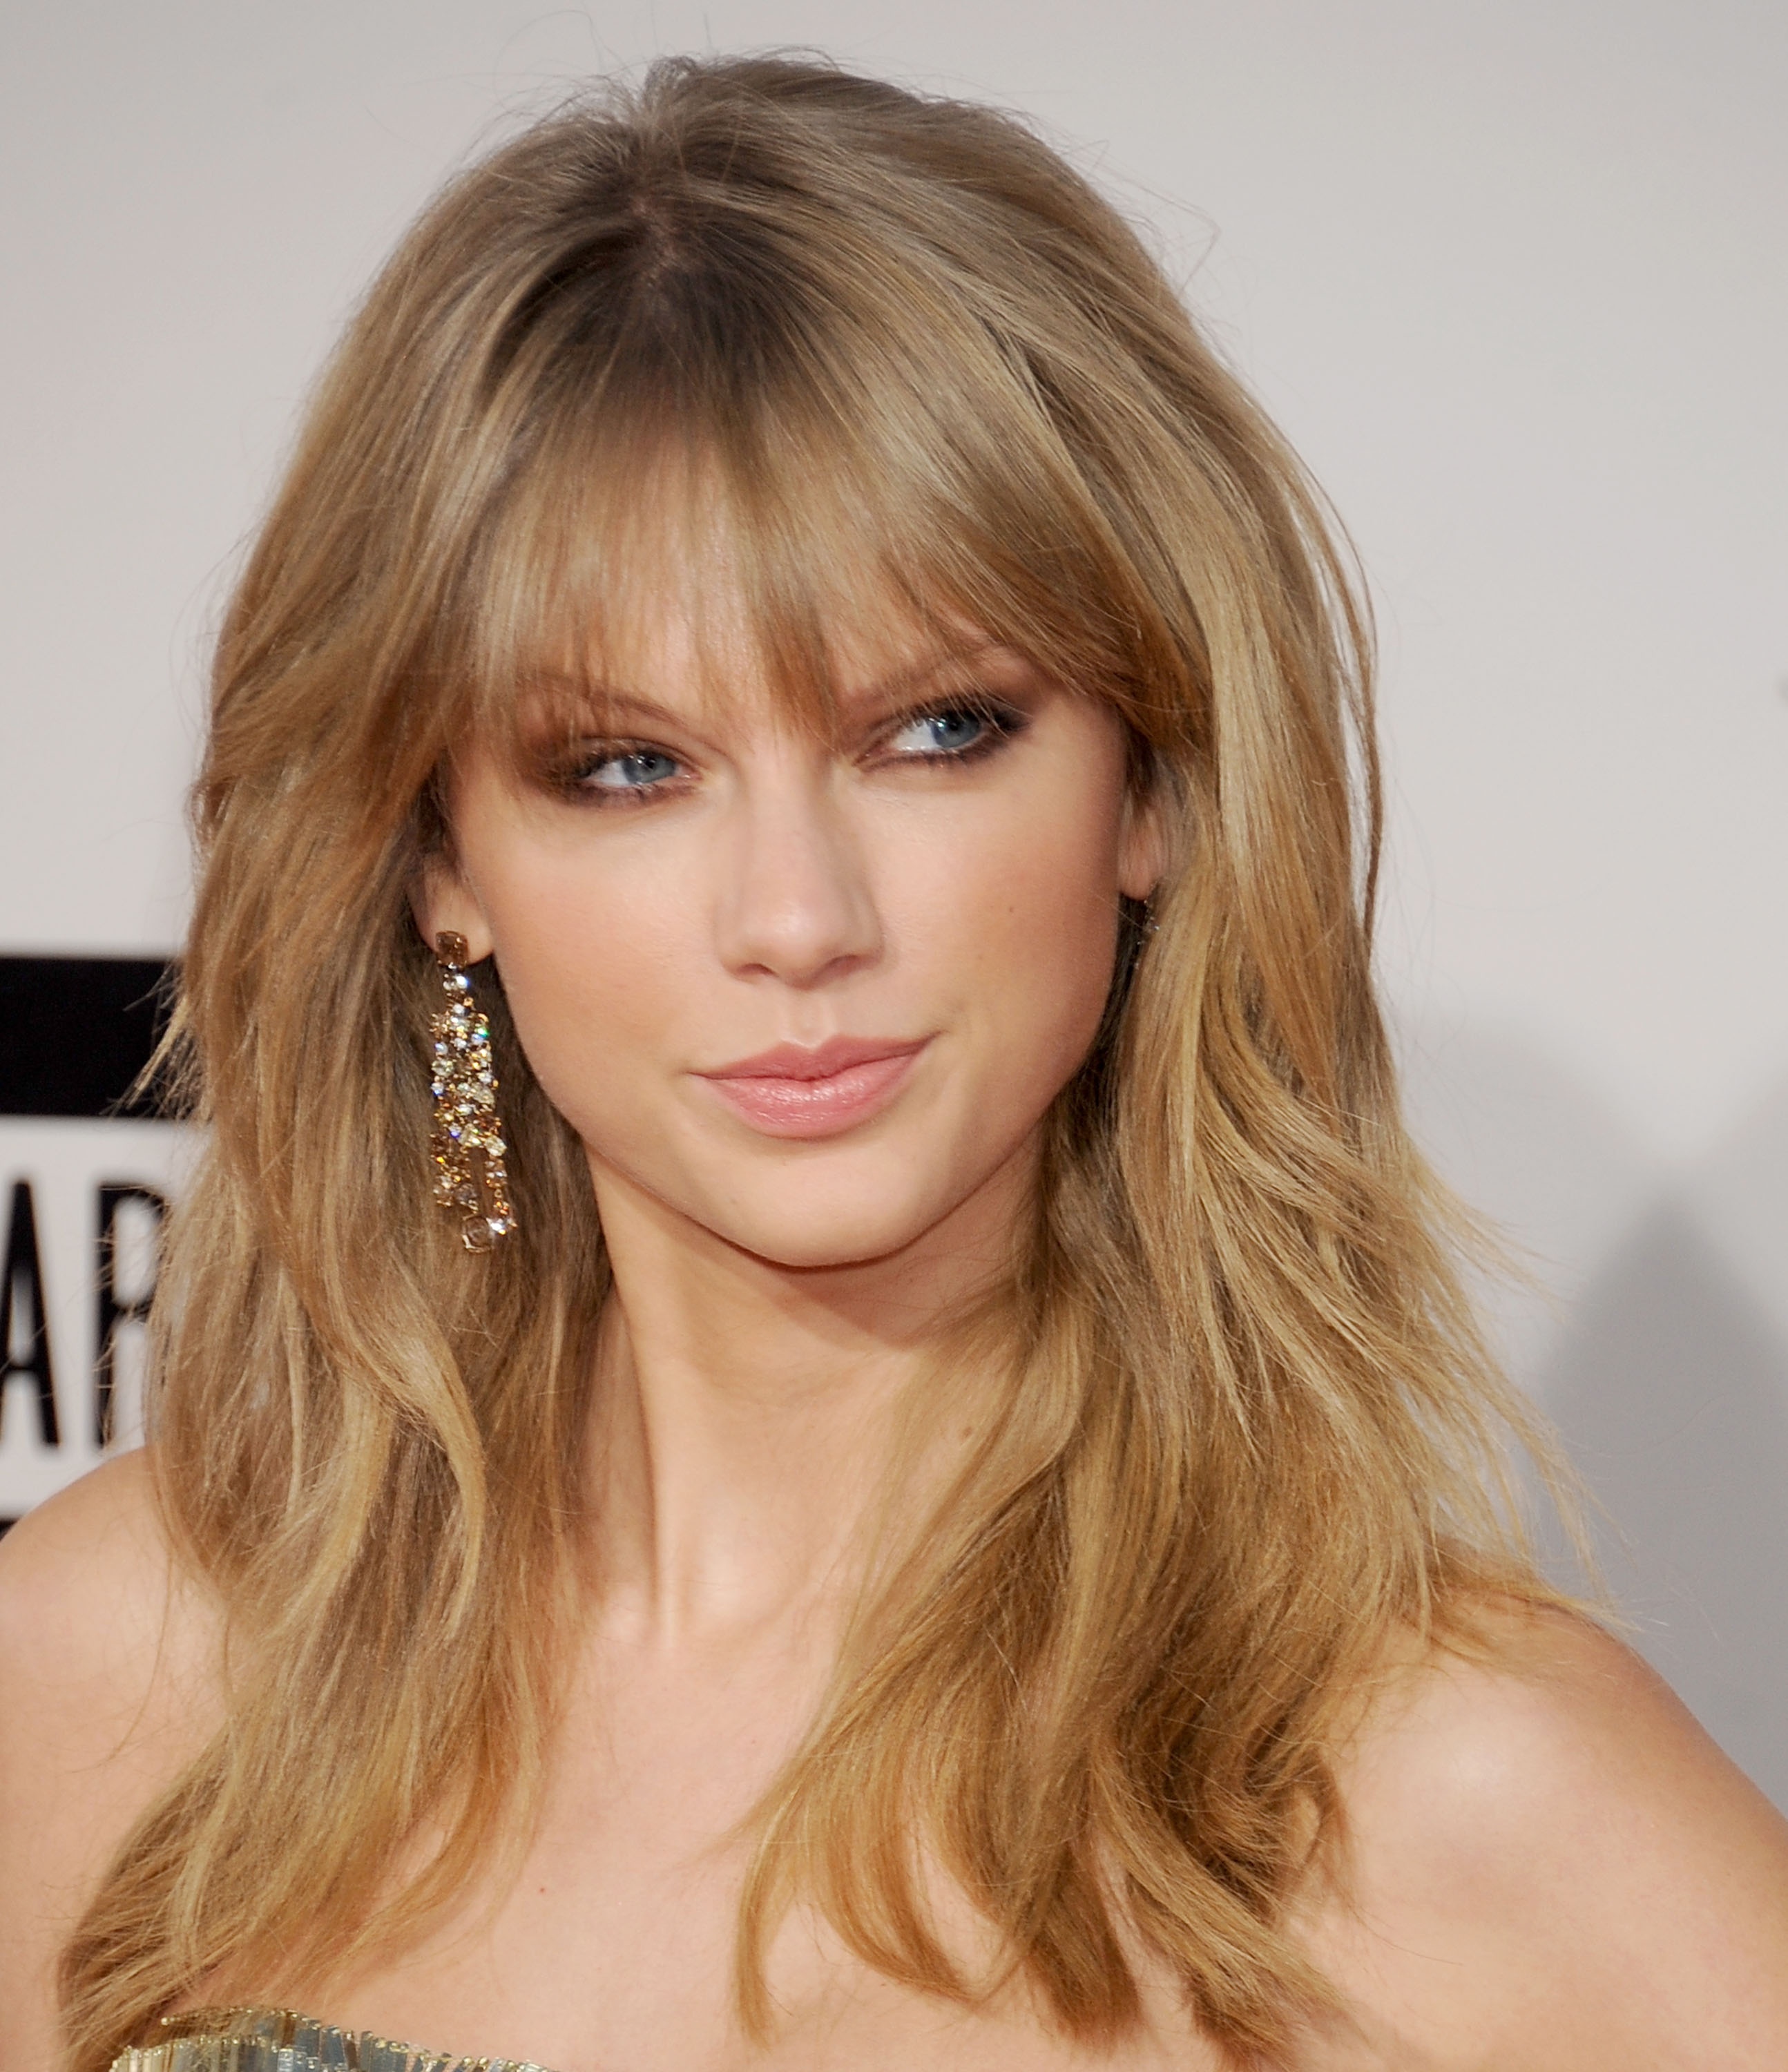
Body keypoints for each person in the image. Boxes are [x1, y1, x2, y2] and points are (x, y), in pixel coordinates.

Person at [1, 52, 1785, 2072]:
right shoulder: (109, 1669)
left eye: (936, 732)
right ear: (442, 867)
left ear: (1153, 789)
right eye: (628, 767)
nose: (796, 916)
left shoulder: (1457, 1804)